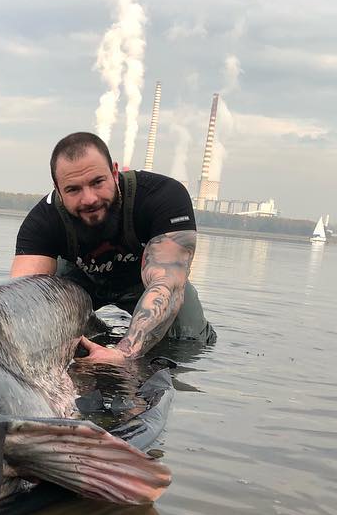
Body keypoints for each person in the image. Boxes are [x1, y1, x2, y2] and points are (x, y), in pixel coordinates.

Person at [11, 131, 215, 365]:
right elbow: (22, 298)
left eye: (97, 182)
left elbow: (167, 284)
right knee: (42, 329)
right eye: (73, 189)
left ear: (115, 173)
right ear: (58, 189)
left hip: (146, 280)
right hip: (79, 281)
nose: (89, 199)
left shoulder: (162, 195)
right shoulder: (42, 220)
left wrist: (124, 352)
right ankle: (92, 333)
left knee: (189, 338)